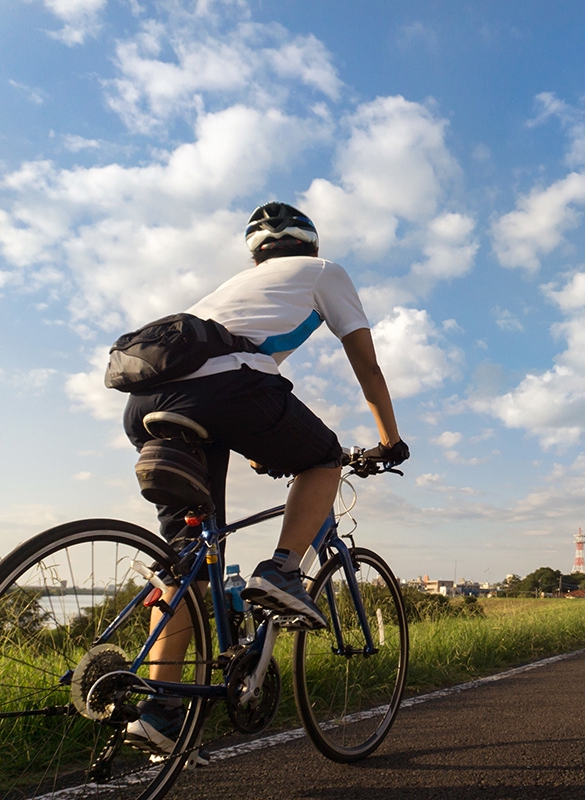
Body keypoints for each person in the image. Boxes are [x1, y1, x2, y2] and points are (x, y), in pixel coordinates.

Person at [121, 201, 409, 758]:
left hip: (146, 400)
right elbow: (367, 366)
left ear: (257, 253)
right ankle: (281, 571)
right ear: (311, 244)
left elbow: (226, 369)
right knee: (323, 458)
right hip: (225, 387)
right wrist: (390, 440)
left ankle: (159, 709)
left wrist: (258, 446)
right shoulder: (325, 273)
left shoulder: (231, 291)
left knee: (184, 563)